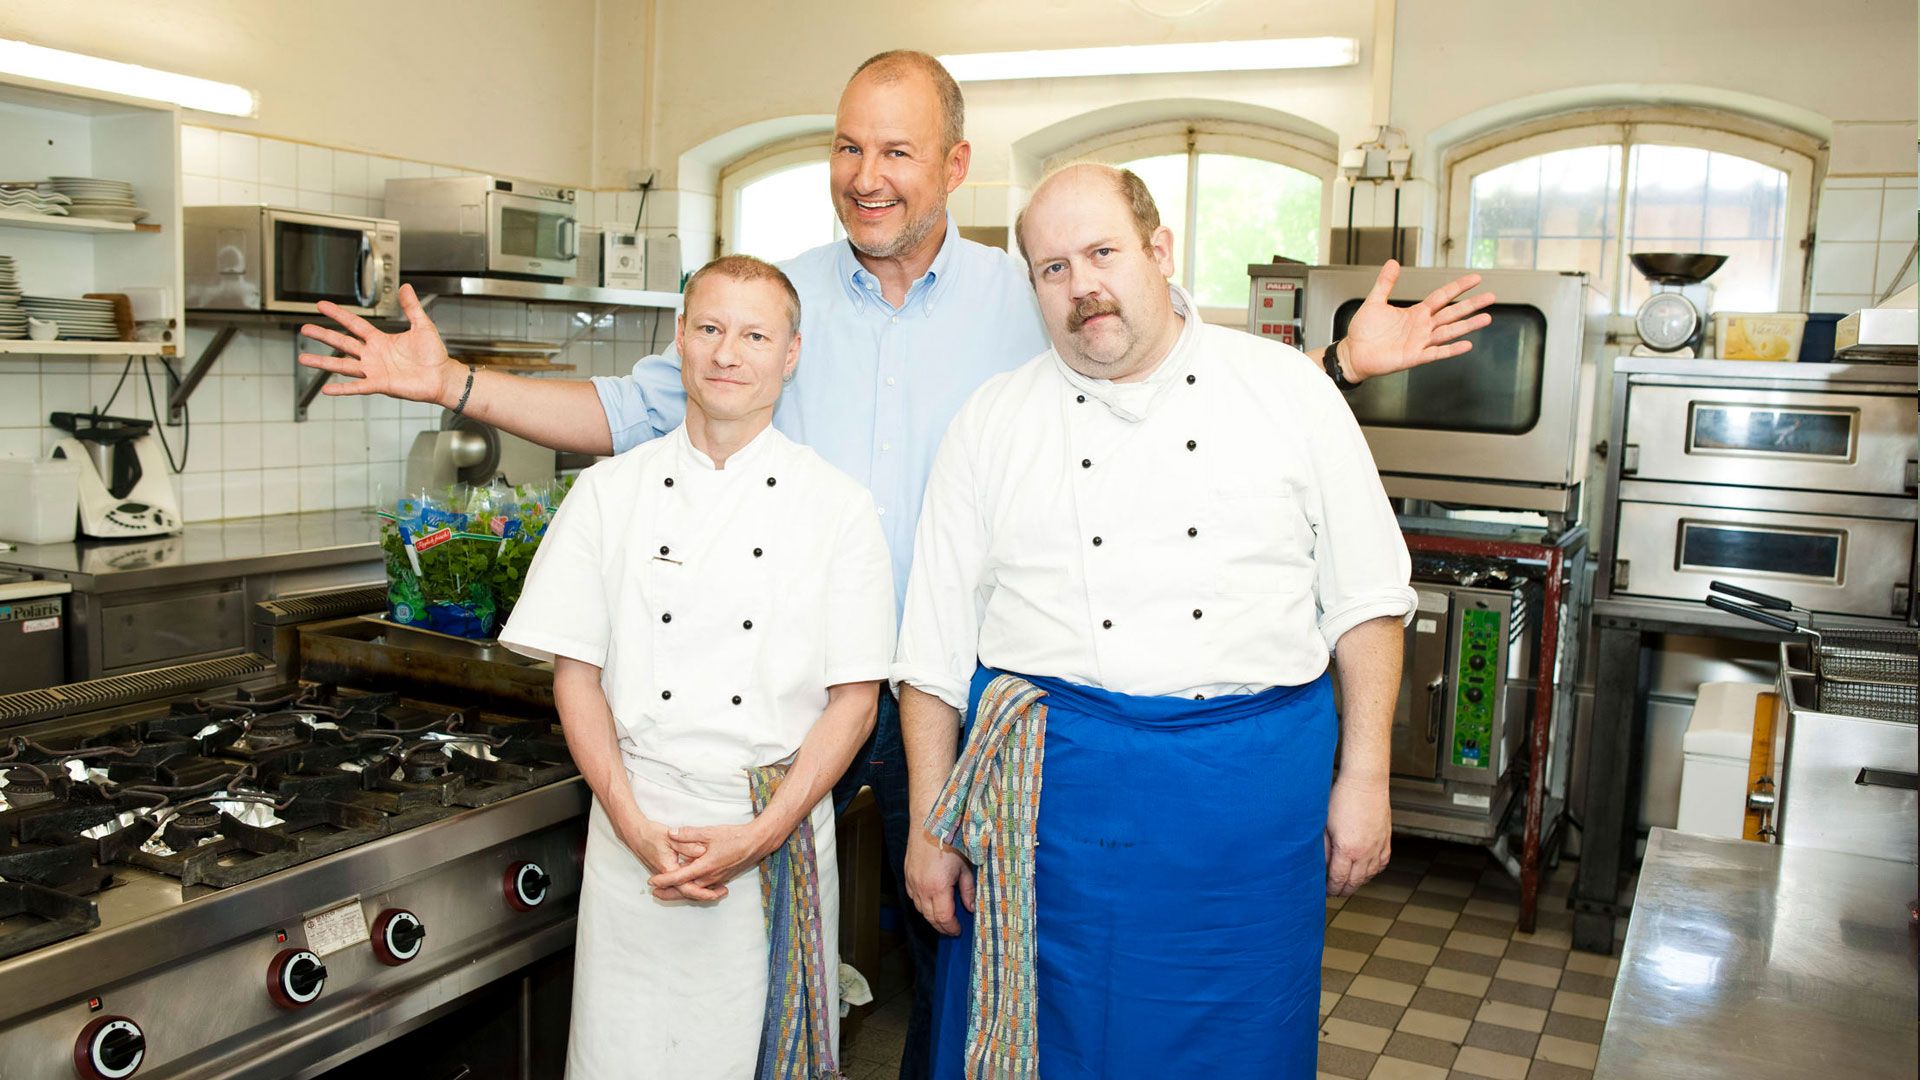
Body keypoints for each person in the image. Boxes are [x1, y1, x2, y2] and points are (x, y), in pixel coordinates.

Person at [299, 51, 1493, 1079]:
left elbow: (1163, 375)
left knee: (950, 960)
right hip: (813, 694)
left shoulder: (1023, 293)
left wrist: (1333, 366)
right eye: (847, 148)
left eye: (898, 151)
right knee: (792, 949)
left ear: (955, 166)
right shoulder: (776, 304)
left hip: (956, 697)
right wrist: (454, 384)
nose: (867, 175)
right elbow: (629, 411)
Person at [892, 163, 1417, 1079]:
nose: (1082, 285)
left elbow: (1368, 602)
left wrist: (1366, 777)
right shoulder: (991, 422)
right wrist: (932, 824)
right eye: (1053, 268)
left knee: (1239, 1048)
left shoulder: (1287, 390)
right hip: (1051, 809)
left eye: (1103, 252)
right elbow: (932, 650)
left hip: (1247, 803)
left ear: (1160, 250)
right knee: (1042, 1047)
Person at [495, 255, 896, 1078]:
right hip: (634, 827)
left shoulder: (839, 508)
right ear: (679, 338)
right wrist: (633, 824)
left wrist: (761, 834)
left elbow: (856, 702)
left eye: (755, 336)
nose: (726, 353)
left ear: (790, 354)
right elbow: (576, 678)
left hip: (773, 827)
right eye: (709, 328)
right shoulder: (607, 493)